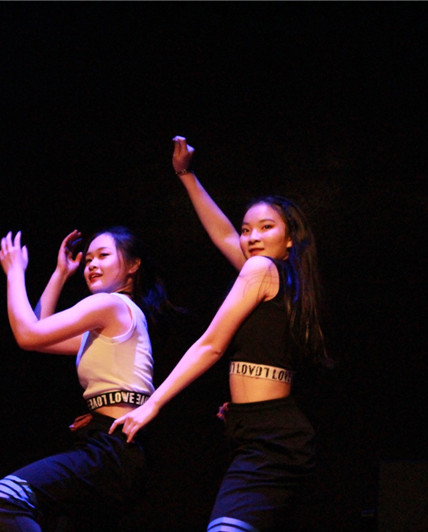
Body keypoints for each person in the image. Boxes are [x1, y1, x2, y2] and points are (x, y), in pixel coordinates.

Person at [111, 136, 331, 532]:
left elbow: (212, 345)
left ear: (290, 239)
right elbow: (223, 236)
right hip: (253, 428)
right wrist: (186, 175)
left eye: (266, 227)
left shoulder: (262, 271)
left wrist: (153, 404)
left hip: (271, 437)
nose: (251, 237)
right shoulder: (279, 278)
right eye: (247, 230)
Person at [0, 226, 174, 531]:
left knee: (5, 498)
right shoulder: (113, 320)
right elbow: (41, 331)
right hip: (114, 446)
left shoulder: (110, 304)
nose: (92, 264)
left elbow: (28, 334)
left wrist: (15, 272)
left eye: (103, 255)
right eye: (88, 259)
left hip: (113, 449)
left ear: (133, 265)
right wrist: (60, 273)